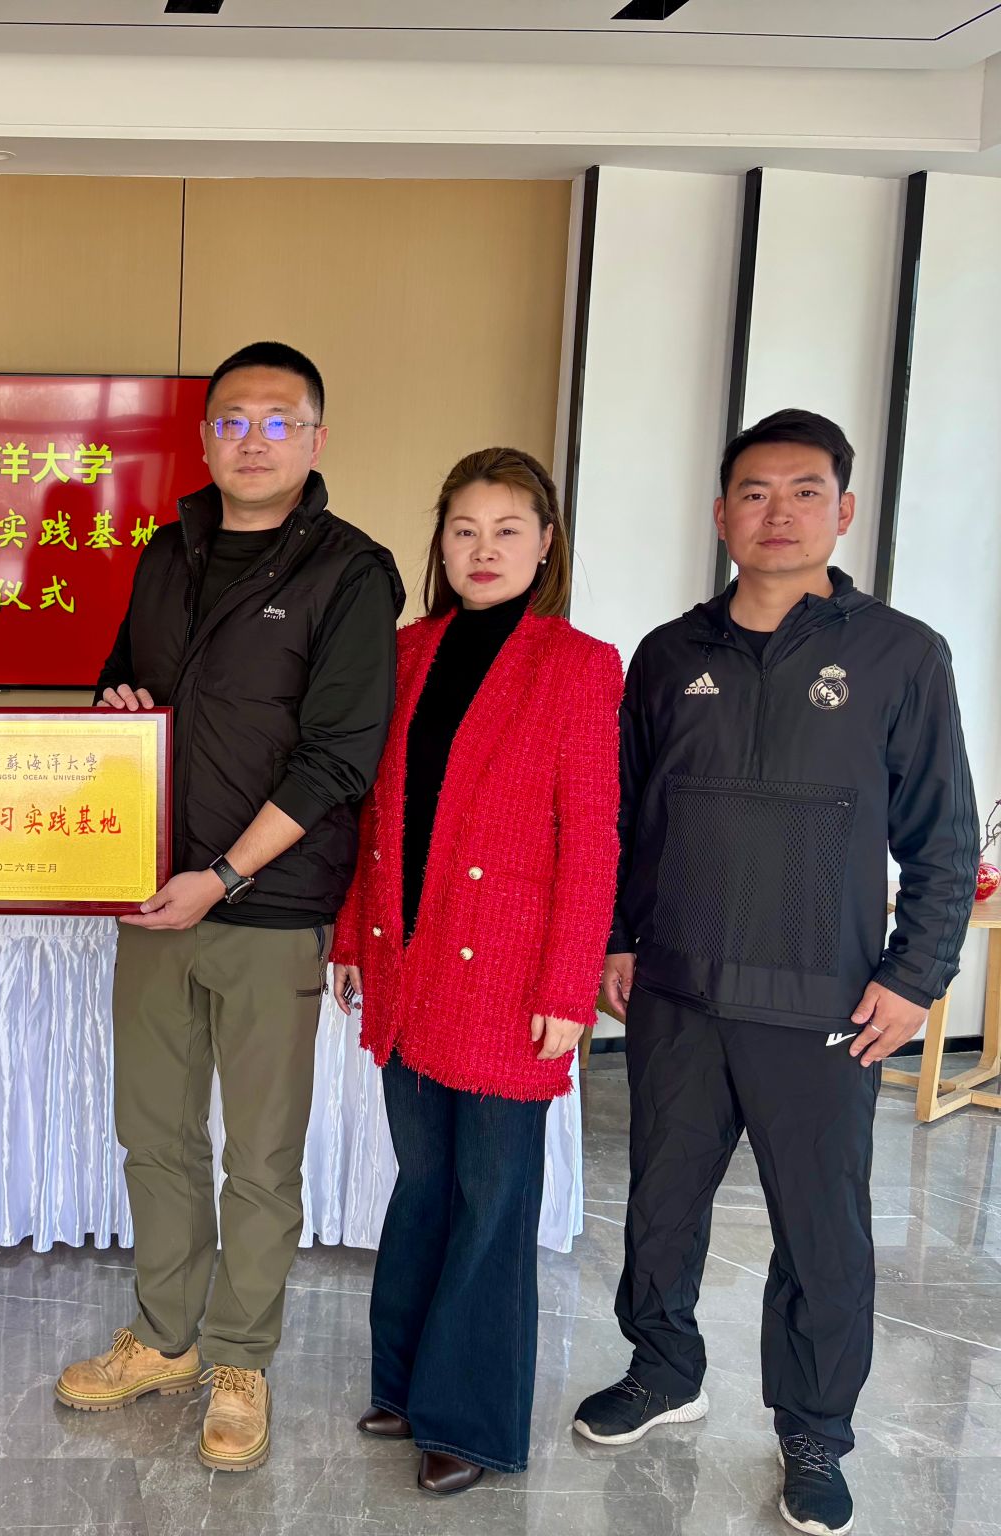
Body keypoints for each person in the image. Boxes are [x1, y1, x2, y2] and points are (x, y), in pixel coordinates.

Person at [575, 409, 978, 1536]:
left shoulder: (901, 654)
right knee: (660, 1203)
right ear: (721, 515)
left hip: (824, 1001)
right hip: (676, 991)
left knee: (819, 1227)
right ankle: (663, 1370)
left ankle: (813, 1428)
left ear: (842, 511)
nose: (779, 512)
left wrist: (914, 976)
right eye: (754, 492)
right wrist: (617, 937)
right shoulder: (668, 654)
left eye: (805, 491)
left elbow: (943, 839)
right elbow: (626, 818)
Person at [56, 340, 403, 1473]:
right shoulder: (168, 551)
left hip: (269, 907)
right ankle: (166, 1336)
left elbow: (338, 756)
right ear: (204, 438)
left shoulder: (352, 572)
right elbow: (123, 688)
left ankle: (240, 1357)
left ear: (315, 438)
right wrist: (115, 708)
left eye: (277, 421)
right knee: (153, 1136)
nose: (253, 441)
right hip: (154, 895)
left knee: (258, 1155)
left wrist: (225, 874)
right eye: (233, 422)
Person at [330, 447, 621, 1494]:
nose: (483, 549)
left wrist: (567, 987)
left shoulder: (578, 664)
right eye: (463, 530)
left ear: (545, 546)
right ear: (440, 545)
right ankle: (404, 1383)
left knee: (493, 1200)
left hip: (510, 976)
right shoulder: (405, 652)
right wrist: (352, 936)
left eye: (507, 530)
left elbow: (592, 839)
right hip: (407, 961)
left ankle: (470, 1420)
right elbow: (375, 816)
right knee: (423, 1182)